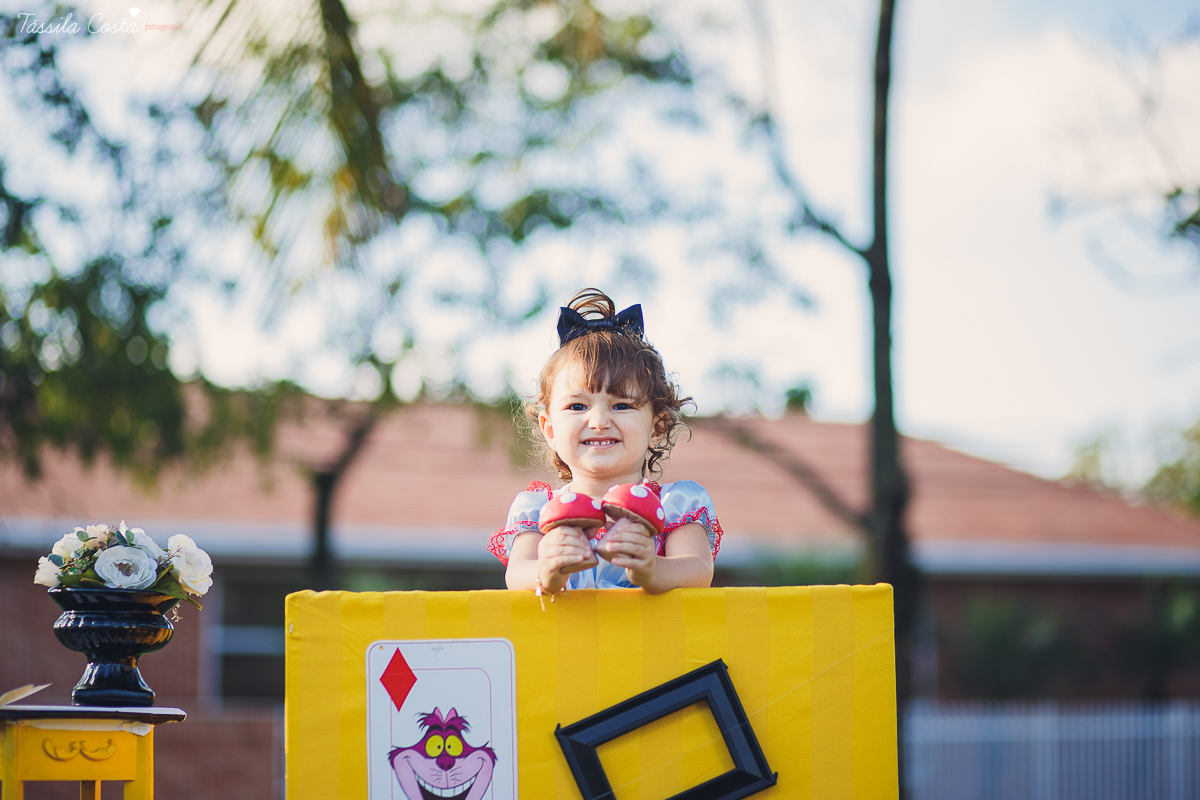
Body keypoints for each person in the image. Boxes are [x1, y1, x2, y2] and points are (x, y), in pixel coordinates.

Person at [487, 289, 722, 598]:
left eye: (621, 405)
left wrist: (653, 569)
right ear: (550, 429)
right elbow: (516, 573)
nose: (598, 422)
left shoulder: (674, 505)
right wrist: (546, 570)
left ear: (658, 426)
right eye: (577, 407)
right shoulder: (539, 510)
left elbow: (698, 570)